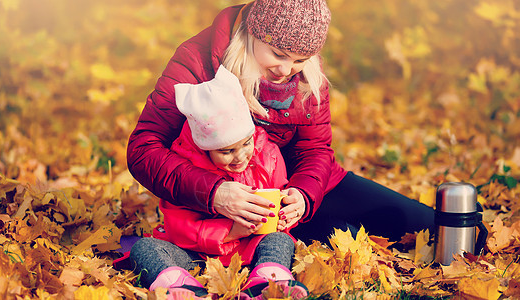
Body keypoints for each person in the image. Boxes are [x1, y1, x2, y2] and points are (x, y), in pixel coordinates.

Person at [128, 0, 434, 285]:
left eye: (300, 59)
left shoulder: (306, 73)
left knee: (426, 225)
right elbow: (144, 148)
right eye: (278, 55)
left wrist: (304, 194)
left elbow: (315, 150)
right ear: (253, 31)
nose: (286, 70)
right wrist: (215, 192)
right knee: (349, 238)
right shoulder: (197, 58)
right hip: (226, 192)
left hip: (292, 191)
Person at [129, 65, 308, 299]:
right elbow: (179, 227)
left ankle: (268, 282)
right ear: (205, 148)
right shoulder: (187, 168)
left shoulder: (268, 156)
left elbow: (279, 200)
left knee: (280, 240)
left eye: (246, 143)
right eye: (226, 151)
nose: (241, 156)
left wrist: (287, 213)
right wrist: (230, 232)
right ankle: (181, 287)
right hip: (197, 256)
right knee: (145, 249)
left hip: (251, 254)